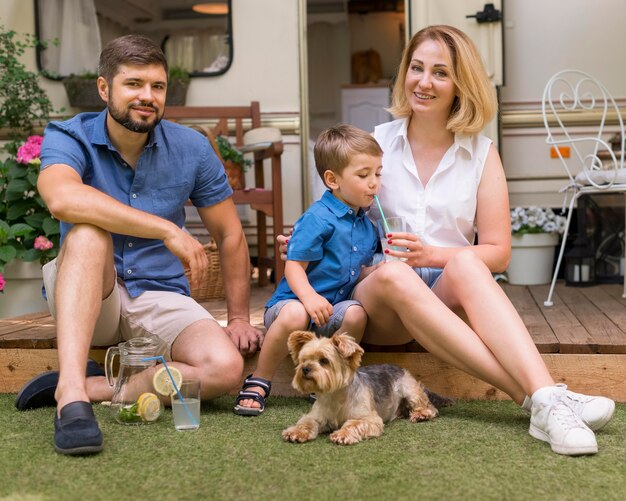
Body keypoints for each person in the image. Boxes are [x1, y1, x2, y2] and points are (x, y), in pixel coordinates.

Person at [280, 25, 615, 456]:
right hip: (381, 297)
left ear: (461, 84)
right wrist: (303, 238)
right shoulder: (376, 144)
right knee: (396, 274)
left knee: (467, 263)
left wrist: (434, 254)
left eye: (440, 72)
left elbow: (498, 253)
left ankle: (546, 402)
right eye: (416, 68)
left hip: (444, 291)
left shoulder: (481, 153)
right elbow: (329, 214)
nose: (423, 81)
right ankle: (548, 397)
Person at [15, 35, 262, 455]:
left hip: (160, 292)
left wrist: (239, 317)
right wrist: (164, 229)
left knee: (224, 368)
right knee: (90, 232)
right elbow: (62, 199)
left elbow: (229, 233)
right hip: (92, 294)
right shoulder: (68, 135)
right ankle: (71, 401)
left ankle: (91, 385)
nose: (147, 96)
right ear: (104, 88)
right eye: (133, 84)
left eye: (157, 86)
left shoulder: (192, 149)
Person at [234, 125, 382, 415]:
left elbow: (360, 270)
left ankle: (331, 382)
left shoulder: (368, 225)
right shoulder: (317, 218)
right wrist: (310, 298)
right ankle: (259, 379)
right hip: (292, 306)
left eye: (378, 174)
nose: (374, 183)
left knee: (356, 314)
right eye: (364, 175)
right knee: (296, 312)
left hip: (331, 311)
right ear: (332, 179)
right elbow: (293, 268)